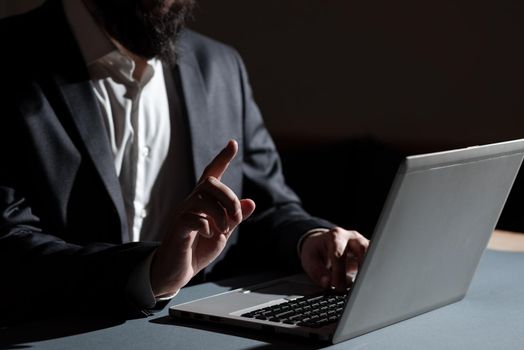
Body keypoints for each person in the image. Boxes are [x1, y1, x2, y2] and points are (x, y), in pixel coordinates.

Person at [0, 0, 369, 322]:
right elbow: (7, 244)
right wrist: (148, 273)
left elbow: (268, 205)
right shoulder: (12, 56)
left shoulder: (222, 66)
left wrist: (311, 240)